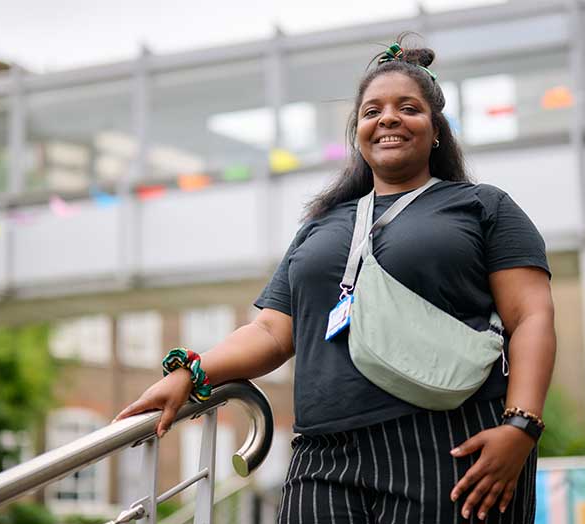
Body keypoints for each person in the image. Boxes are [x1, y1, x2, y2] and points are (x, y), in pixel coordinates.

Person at [115, 36, 556, 524]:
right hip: (323, 458)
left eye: (407, 108)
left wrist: (522, 425)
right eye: (372, 112)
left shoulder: (483, 206)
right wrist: (190, 373)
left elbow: (531, 316)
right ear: (358, 133)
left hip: (448, 445)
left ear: (436, 130)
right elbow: (271, 332)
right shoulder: (322, 225)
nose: (387, 118)